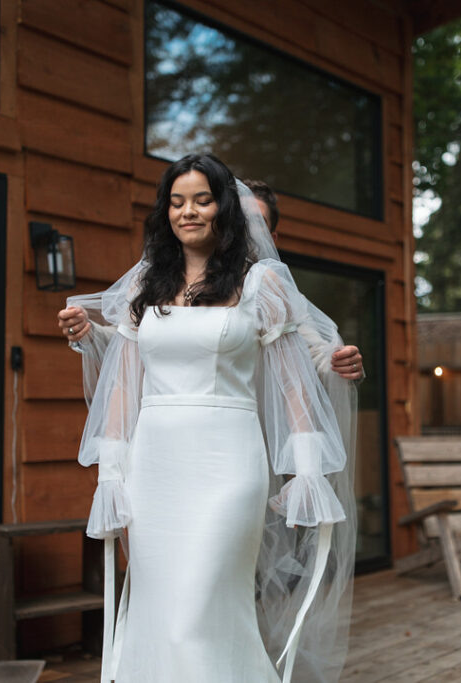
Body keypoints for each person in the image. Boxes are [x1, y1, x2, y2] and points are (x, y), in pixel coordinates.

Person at [67, 153, 357, 682]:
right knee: (162, 607)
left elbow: (292, 383)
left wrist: (309, 469)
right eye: (177, 202)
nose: (188, 212)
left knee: (203, 602)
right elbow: (125, 382)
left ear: (224, 208)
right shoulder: (143, 286)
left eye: (202, 200)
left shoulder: (262, 284)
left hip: (229, 463)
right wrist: (110, 471)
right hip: (154, 466)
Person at [58, 180, 365, 381]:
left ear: (271, 238)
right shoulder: (169, 281)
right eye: (236, 219)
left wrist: (338, 364)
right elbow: (132, 339)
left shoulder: (274, 291)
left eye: (255, 223)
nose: (243, 230)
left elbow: (312, 352)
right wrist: (89, 333)